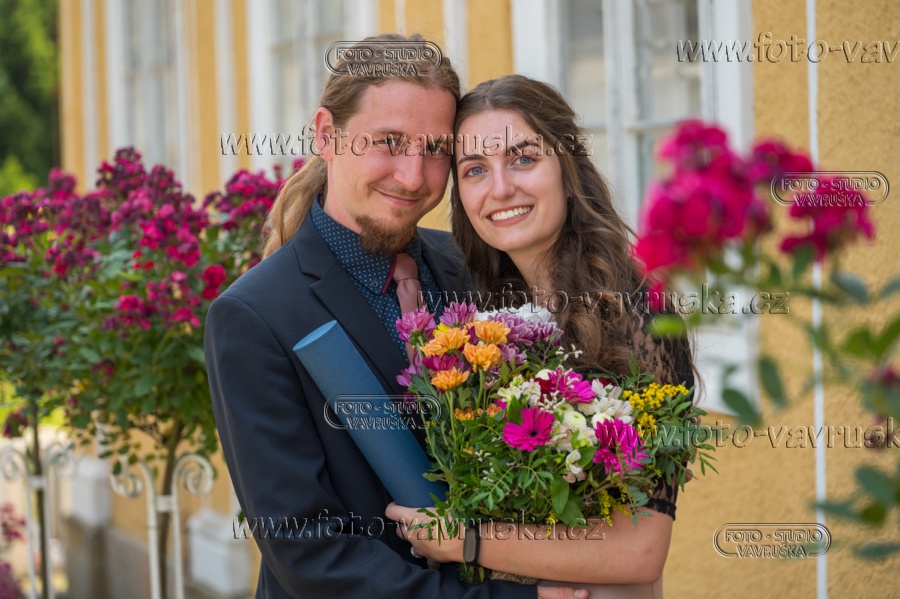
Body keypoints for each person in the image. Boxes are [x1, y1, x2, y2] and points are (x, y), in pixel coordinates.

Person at [205, 36, 588, 599]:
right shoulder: (254, 315)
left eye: (435, 149)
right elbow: (309, 550)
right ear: (326, 134)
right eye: (389, 142)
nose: (412, 176)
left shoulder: (473, 265)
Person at [386, 74, 696, 594]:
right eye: (475, 169)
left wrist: (465, 541)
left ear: (569, 171)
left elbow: (639, 550)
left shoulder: (637, 312)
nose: (500, 188)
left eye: (523, 159)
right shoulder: (483, 321)